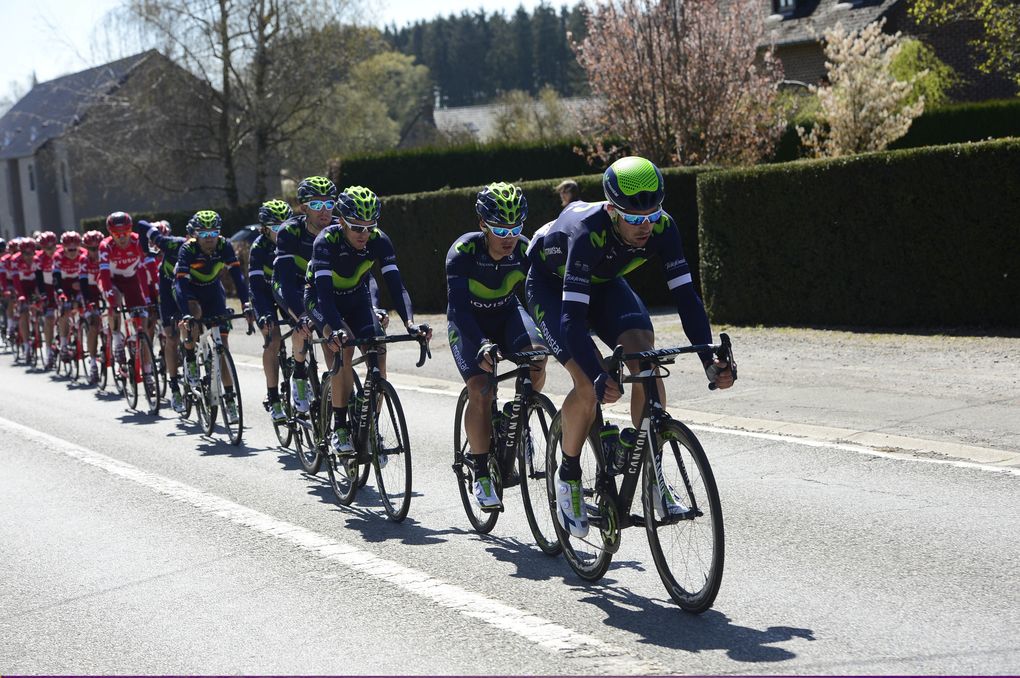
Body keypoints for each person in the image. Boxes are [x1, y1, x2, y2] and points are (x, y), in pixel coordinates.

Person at [525, 156, 734, 538]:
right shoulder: (586, 232)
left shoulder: (662, 227)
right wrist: (594, 372)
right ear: (611, 210)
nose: (646, 226)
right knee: (588, 384)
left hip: (604, 282)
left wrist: (708, 358)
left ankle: (652, 477)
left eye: (652, 215)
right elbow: (571, 322)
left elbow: (686, 297)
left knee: (645, 358)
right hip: (551, 285)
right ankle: (568, 475)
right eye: (635, 219)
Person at [307, 185, 430, 458]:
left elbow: (397, 287)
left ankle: (369, 424)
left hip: (357, 299)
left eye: (369, 227)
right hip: (321, 300)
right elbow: (325, 295)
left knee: (379, 351)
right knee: (345, 346)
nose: (364, 234)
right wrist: (335, 329)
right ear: (341, 222)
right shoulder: (326, 242)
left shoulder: (379, 240)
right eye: (356, 227)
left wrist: (410, 323)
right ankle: (339, 425)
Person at [446, 182, 546, 511]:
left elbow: (538, 300)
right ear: (482, 225)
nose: (509, 236)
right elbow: (459, 309)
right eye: (500, 228)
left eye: (516, 227)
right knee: (481, 389)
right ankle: (479, 470)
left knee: (537, 357)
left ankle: (518, 415)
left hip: (506, 314)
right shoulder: (463, 252)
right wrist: (481, 345)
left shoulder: (525, 250)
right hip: (469, 323)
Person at [175, 210, 253, 424]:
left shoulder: (224, 246)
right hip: (189, 291)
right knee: (194, 317)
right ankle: (191, 356)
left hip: (212, 290)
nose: (209, 237)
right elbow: (181, 284)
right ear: (196, 234)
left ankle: (229, 399)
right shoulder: (188, 249)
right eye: (204, 232)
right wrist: (187, 313)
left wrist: (246, 304)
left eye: (214, 231)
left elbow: (238, 277)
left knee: (222, 347)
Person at [273, 176, 339, 415]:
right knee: (303, 324)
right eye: (317, 205)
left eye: (329, 204)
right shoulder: (289, 231)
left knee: (331, 336)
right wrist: (300, 315)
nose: (324, 211)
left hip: (320, 286)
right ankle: (299, 375)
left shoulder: (339, 231)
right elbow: (288, 281)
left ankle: (336, 384)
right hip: (291, 285)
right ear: (303, 208)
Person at [249, 199, 293, 424]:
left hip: (285, 291)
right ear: (265, 229)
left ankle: (303, 374)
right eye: (276, 227)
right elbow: (255, 287)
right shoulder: (258, 247)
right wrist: (264, 314)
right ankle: (274, 396)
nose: (283, 230)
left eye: (286, 224)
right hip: (264, 294)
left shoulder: (293, 239)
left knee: (300, 326)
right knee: (273, 339)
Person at [137, 219, 188, 411]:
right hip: (159, 296)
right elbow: (144, 284)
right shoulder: (147, 259)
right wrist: (148, 304)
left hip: (181, 294)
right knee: (160, 331)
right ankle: (149, 369)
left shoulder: (179, 248)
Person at [98, 212, 153, 373]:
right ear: (110, 233)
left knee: (142, 319)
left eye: (125, 233)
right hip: (112, 280)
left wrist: (148, 297)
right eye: (116, 234)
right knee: (113, 300)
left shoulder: (137, 241)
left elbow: (144, 271)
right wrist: (110, 298)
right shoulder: (105, 246)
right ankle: (117, 341)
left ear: (131, 230)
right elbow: (105, 275)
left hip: (131, 279)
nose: (122, 237)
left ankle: (148, 371)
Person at [51, 231, 87, 361]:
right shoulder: (58, 256)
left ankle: (82, 329)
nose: (72, 252)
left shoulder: (84, 254)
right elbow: (56, 277)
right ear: (63, 247)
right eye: (69, 249)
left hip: (79, 283)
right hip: (64, 285)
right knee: (65, 311)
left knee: (86, 308)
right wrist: (60, 292)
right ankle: (64, 345)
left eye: (75, 249)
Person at [79, 230, 105, 382]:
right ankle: (93, 363)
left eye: (98, 248)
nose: (95, 252)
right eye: (92, 249)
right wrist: (88, 302)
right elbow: (83, 284)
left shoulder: (106, 256)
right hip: (90, 294)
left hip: (103, 292)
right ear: (86, 248)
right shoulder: (84, 260)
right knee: (94, 325)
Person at [34, 231, 59, 369]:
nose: (51, 250)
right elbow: (38, 279)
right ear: (42, 248)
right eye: (47, 248)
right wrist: (42, 295)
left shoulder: (62, 253)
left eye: (53, 247)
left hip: (60, 286)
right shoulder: (39, 258)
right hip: (47, 288)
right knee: (49, 319)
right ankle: (48, 350)